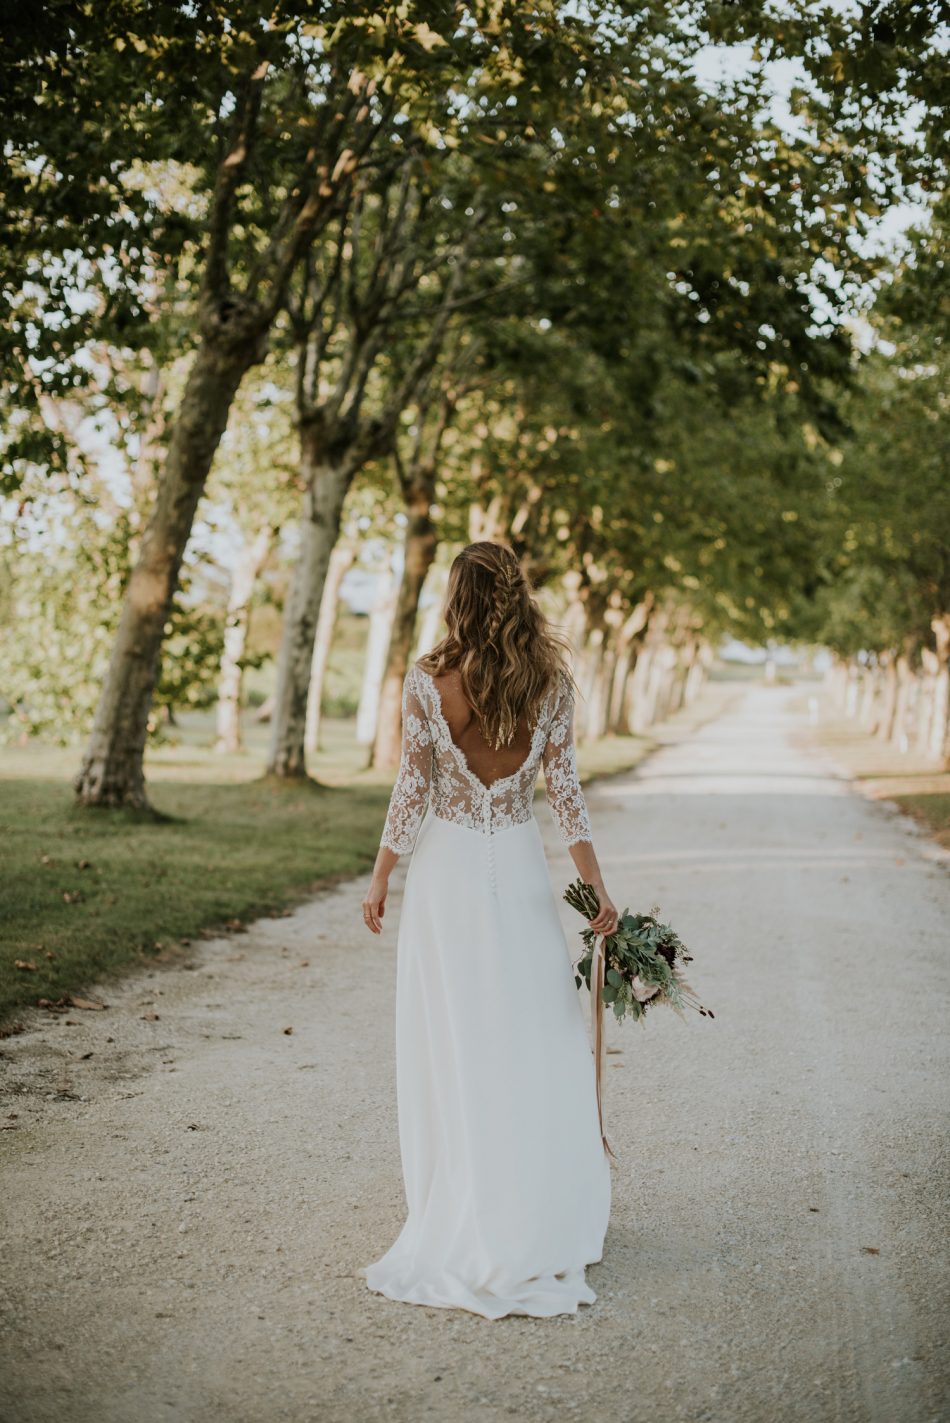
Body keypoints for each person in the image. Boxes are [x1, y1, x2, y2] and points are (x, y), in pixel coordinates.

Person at [358, 541, 618, 1319]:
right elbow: (564, 794)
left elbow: (413, 787)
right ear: (518, 595)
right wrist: (596, 888)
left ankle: (463, 1200)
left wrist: (381, 876)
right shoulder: (552, 685)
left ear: (457, 599)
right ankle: (533, 1206)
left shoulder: (429, 683)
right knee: (532, 1034)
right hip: (518, 867)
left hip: (447, 878)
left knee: (456, 1041)